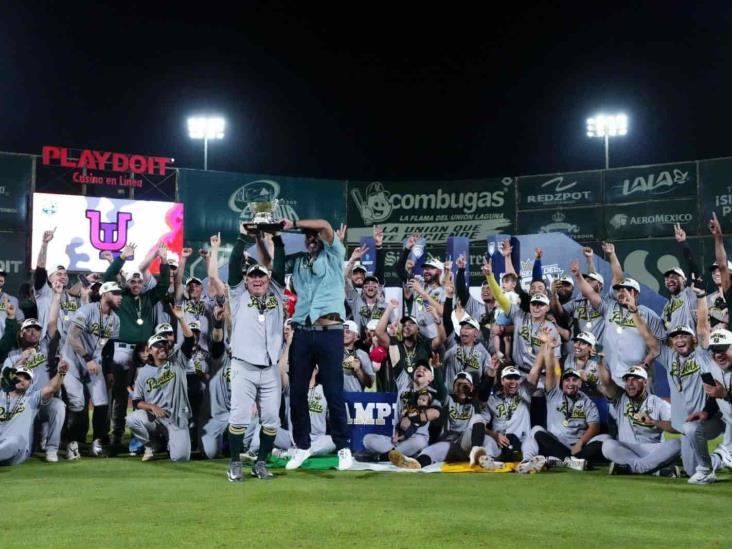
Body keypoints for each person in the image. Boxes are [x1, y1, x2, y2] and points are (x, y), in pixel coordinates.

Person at [278, 218, 353, 471]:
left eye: (315, 236)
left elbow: (323, 224)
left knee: (333, 392)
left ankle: (343, 449)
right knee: (297, 392)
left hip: (329, 332)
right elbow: (273, 264)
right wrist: (266, 235)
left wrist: (294, 223)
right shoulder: (299, 261)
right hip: (302, 330)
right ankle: (302, 446)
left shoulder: (334, 252)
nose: (312, 239)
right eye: (307, 236)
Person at [220, 227, 286, 481]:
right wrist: (241, 238)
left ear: (268, 279)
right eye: (253, 277)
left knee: (271, 419)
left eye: (262, 276)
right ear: (246, 280)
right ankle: (235, 462)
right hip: (244, 366)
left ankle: (260, 463)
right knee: (239, 416)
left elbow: (279, 265)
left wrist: (277, 239)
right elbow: (235, 263)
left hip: (270, 368)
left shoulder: (276, 293)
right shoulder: (237, 295)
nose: (258, 280)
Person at [103, 241, 171, 449]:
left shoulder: (148, 298)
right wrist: (122, 257)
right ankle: (116, 437)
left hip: (143, 351)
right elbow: (107, 278)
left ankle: (139, 437)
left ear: (142, 284)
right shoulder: (120, 297)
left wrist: (164, 261)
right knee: (120, 395)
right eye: (132, 282)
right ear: (127, 284)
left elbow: (163, 285)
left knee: (146, 393)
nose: (135, 285)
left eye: (138, 282)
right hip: (122, 351)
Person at [568, 254, 665, 386]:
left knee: (642, 405)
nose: (620, 293)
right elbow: (590, 294)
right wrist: (578, 276)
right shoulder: (610, 307)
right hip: (612, 372)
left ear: (635, 293)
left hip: (637, 373)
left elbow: (659, 344)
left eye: (624, 290)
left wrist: (645, 364)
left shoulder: (647, 314)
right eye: (618, 290)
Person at [523, 331, 608, 471]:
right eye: (567, 380)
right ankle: (570, 461)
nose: (570, 383)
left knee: (605, 439)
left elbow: (595, 426)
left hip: (578, 447)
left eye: (574, 380)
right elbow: (551, 369)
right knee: (536, 431)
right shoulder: (554, 393)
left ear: (580, 383)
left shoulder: (587, 401)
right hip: (556, 443)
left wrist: (580, 443)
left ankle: (563, 460)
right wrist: (548, 346)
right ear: (561, 382)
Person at [61, 281, 123, 459]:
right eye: (116, 293)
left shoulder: (115, 319)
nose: (120, 297)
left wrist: (107, 369)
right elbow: (72, 336)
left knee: (102, 402)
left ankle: (97, 443)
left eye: (120, 294)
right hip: (72, 362)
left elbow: (107, 345)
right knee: (77, 403)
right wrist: (87, 358)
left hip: (93, 363)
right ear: (104, 294)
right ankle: (71, 444)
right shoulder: (87, 310)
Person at [126, 305, 195, 462]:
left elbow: (190, 341)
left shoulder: (178, 360)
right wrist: (152, 407)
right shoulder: (143, 372)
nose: (161, 347)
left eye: (163, 344)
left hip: (177, 418)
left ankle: (172, 442)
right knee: (132, 419)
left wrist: (181, 319)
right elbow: (136, 401)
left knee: (180, 458)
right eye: (157, 345)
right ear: (149, 351)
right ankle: (151, 445)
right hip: (156, 419)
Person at [389, 371, 490, 469]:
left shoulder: (475, 401)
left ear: (471, 387)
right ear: (454, 387)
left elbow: (484, 394)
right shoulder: (448, 399)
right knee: (429, 451)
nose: (462, 387)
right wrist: (437, 369)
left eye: (465, 385)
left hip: (467, 444)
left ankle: (476, 453)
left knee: (478, 418)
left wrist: (490, 375)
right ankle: (413, 464)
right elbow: (442, 392)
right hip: (449, 444)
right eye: (458, 384)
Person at [597, 363, 681, 477]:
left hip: (652, 450)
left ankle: (631, 467)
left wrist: (654, 422)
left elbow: (676, 426)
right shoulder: (620, 398)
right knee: (607, 445)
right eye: (627, 380)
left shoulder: (658, 403)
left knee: (678, 444)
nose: (630, 383)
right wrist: (598, 361)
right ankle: (654, 469)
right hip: (626, 448)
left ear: (645, 382)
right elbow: (606, 383)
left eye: (635, 379)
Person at [361, 359, 442, 461]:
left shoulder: (432, 393)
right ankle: (402, 455)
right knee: (367, 440)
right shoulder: (404, 383)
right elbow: (395, 359)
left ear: (431, 378)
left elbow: (435, 413)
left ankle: (384, 457)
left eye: (425, 369)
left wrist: (411, 419)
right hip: (395, 439)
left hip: (415, 438)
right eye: (418, 368)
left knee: (419, 443)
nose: (420, 370)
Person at [0, 361, 69, 466]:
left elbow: (52, 388)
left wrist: (61, 373)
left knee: (15, 440)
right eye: (19, 376)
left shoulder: (32, 398)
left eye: (26, 378)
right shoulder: (1, 394)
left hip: (18, 448)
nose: (22, 379)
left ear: (30, 383)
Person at [342, 320, 374, 391]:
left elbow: (369, 384)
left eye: (348, 332)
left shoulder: (363, 355)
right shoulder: (333, 353)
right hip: (335, 398)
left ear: (356, 336)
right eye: (342, 332)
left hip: (355, 399)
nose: (344, 334)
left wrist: (358, 370)